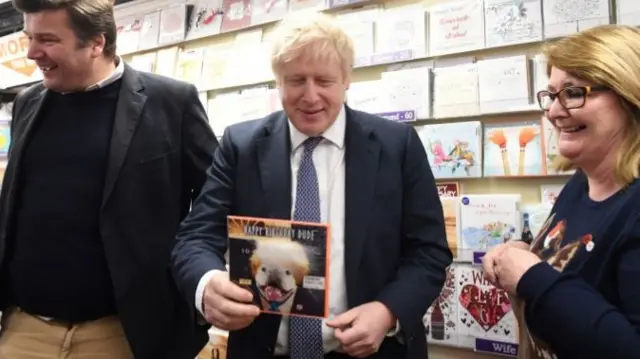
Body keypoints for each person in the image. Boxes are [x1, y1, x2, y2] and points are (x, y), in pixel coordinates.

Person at [171, 12, 452, 359]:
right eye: (296, 80)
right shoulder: (240, 146)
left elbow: (429, 250)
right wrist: (205, 286)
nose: (310, 95)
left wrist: (387, 311)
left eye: (324, 80)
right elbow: (195, 237)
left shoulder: (397, 146)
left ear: (347, 79)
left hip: (370, 351)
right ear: (278, 82)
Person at [0, 0, 216, 358]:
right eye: (30, 37)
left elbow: (215, 200)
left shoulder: (171, 102)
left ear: (97, 43)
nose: (32, 52)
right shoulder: (28, 103)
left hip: (122, 333)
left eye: (47, 40)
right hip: (24, 329)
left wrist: (199, 273)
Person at [482, 24, 640, 359]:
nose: (554, 112)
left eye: (573, 92)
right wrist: (528, 253)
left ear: (629, 94)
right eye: (552, 95)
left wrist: (532, 276)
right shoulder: (580, 185)